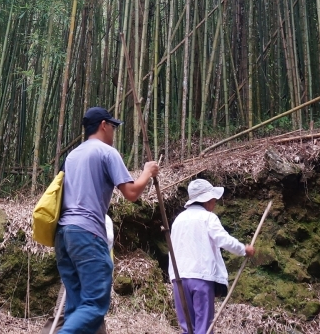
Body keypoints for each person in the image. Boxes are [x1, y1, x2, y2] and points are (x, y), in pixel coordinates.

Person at [54, 106, 159, 334]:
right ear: (104, 125)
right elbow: (131, 193)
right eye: (113, 126)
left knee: (76, 307)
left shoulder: (72, 155)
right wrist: (147, 172)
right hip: (87, 235)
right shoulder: (106, 152)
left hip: (63, 235)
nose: (113, 131)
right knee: (93, 305)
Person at [168, 178, 254, 334]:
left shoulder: (178, 221)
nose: (214, 203)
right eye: (213, 199)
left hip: (179, 278)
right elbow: (223, 239)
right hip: (201, 277)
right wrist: (244, 250)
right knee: (204, 328)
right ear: (206, 200)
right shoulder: (208, 218)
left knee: (188, 328)